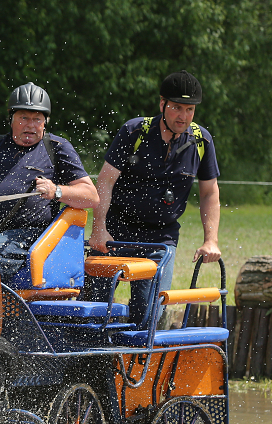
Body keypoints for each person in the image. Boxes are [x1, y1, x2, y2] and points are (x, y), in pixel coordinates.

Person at [85, 70, 221, 326]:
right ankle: (87, 361)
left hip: (161, 238)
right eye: (177, 108)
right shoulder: (134, 131)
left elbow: (209, 192)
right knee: (93, 309)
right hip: (116, 231)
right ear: (162, 104)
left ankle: (134, 361)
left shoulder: (201, 140)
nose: (183, 116)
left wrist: (210, 240)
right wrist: (99, 229)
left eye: (189, 110)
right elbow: (105, 181)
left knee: (148, 318)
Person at [0, 82, 99, 283]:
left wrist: (55, 190)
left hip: (29, 236)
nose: (30, 125)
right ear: (11, 119)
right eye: (23, 118)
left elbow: (91, 196)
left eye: (37, 119)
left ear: (45, 122)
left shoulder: (57, 148)